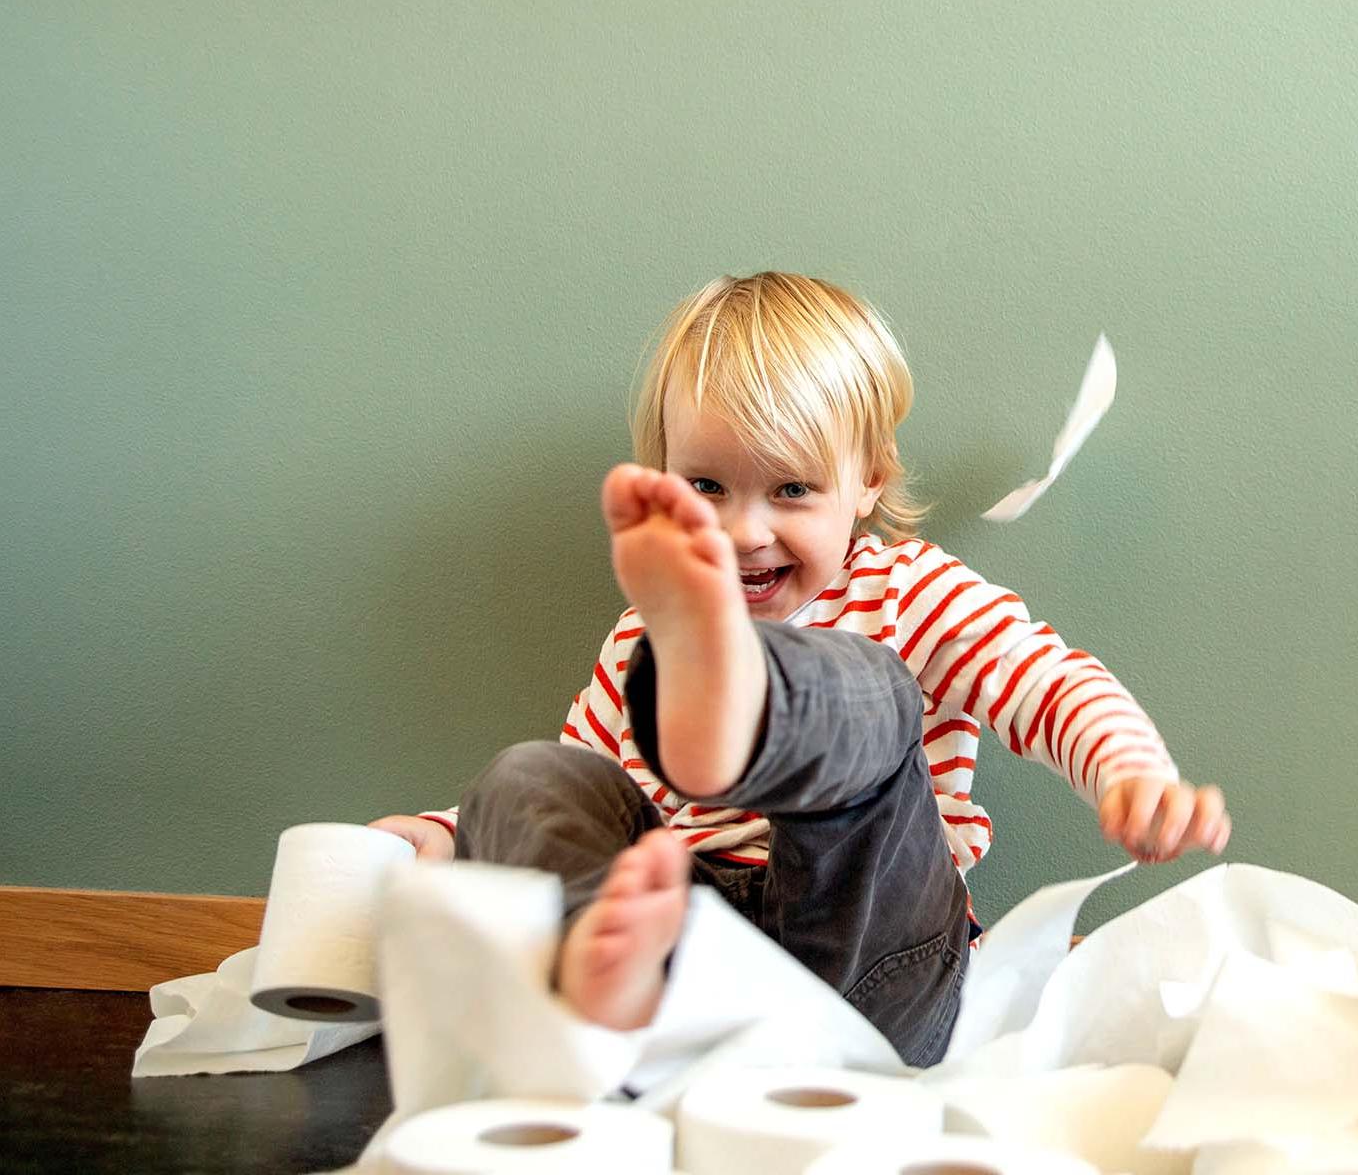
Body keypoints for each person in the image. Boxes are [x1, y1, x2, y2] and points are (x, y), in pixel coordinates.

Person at [370, 272, 1230, 1067]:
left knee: (869, 692)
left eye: (790, 491)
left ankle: (753, 704)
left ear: (867, 484)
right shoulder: (644, 631)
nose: (744, 531)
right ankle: (620, 970)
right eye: (706, 486)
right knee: (526, 775)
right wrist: (451, 832)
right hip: (695, 953)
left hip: (868, 965)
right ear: (663, 475)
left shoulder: (907, 590)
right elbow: (590, 779)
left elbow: (1042, 678)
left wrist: (1129, 770)